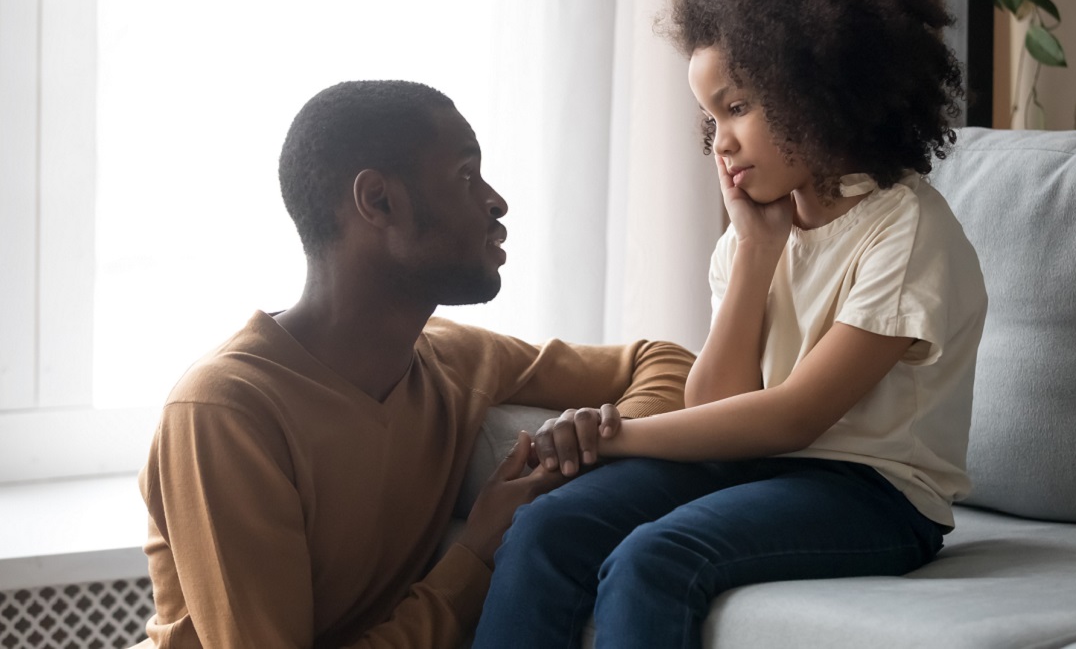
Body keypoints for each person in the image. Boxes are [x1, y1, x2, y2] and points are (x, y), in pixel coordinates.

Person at [472, 0, 988, 649]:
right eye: (710, 118)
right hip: (757, 469)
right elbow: (716, 407)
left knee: (654, 559)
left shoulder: (904, 231)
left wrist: (614, 435)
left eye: (738, 106)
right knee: (548, 525)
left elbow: (791, 418)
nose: (720, 141)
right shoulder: (754, 236)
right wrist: (754, 249)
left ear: (814, 90)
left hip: (874, 495)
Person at [133, 80, 694, 648]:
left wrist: (609, 443)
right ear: (378, 201)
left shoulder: (454, 359)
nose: (496, 201)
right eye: (465, 175)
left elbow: (664, 360)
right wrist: (475, 557)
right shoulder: (225, 411)